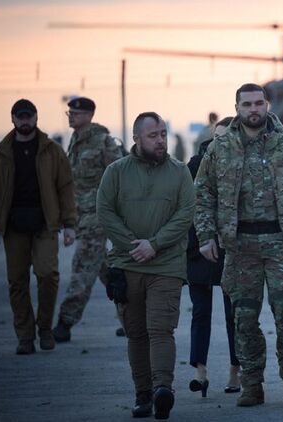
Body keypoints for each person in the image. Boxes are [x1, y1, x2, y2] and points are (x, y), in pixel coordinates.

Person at [194, 83, 283, 407]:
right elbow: (202, 194)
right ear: (237, 108)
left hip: (281, 243)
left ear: (267, 105)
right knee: (244, 318)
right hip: (240, 246)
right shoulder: (220, 148)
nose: (253, 109)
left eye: (258, 103)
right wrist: (206, 236)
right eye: (247, 105)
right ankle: (252, 382)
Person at [96, 111, 195, 419]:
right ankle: (143, 394)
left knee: (161, 329)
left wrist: (155, 244)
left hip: (166, 266)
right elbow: (104, 211)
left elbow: (186, 213)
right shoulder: (116, 172)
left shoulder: (179, 172)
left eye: (163, 134)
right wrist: (132, 245)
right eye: (153, 136)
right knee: (136, 334)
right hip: (127, 266)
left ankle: (163, 388)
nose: (161, 140)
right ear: (136, 138)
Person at [0, 99, 76, 355]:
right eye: (20, 117)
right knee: (17, 282)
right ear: (12, 119)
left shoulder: (51, 151)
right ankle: (25, 337)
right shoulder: (2, 153)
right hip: (13, 226)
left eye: (29, 116)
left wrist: (70, 224)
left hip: (45, 224)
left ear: (36, 117)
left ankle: (44, 327)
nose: (25, 121)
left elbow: (65, 187)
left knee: (48, 275)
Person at [53, 97, 123, 343]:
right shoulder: (75, 141)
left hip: (97, 217)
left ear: (90, 115)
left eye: (76, 113)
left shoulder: (103, 141)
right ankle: (131, 317)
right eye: (69, 112)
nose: (71, 116)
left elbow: (119, 176)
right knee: (106, 271)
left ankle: (65, 322)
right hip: (80, 217)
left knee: (82, 268)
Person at [185, 117, 241, 396]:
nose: (220, 143)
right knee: (200, 312)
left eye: (227, 137)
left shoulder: (242, 163)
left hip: (232, 249)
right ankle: (200, 372)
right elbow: (185, 207)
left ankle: (235, 371)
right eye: (217, 137)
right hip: (199, 247)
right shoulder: (195, 165)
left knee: (234, 315)